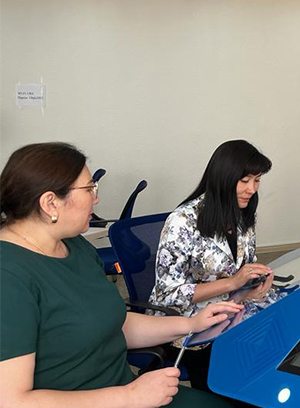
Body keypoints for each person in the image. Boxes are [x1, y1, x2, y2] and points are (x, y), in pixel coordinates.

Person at [0, 142, 241, 408]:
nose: (96, 199)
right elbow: (12, 401)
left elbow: (113, 324)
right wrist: (130, 397)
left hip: (126, 392)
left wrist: (191, 324)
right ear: (50, 203)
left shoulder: (74, 245)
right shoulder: (9, 277)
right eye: (89, 189)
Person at [148, 140, 274, 393]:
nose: (252, 189)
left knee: (279, 337)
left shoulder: (243, 213)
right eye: (245, 180)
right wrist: (232, 283)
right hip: (189, 321)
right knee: (236, 371)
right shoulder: (182, 221)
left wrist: (253, 284)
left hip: (232, 309)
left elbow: (243, 267)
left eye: (257, 180)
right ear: (223, 178)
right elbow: (167, 294)